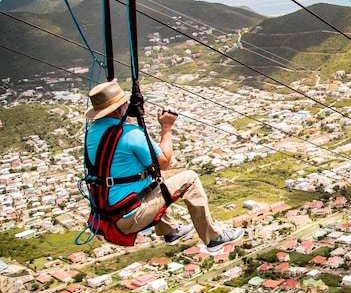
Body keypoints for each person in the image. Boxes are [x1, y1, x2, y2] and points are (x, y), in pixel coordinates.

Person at [84, 80, 243, 252]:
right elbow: (164, 162)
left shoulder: (93, 132)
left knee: (161, 177)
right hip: (128, 217)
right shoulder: (131, 134)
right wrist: (166, 127)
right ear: (119, 108)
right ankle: (213, 238)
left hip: (105, 211)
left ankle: (170, 230)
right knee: (189, 178)